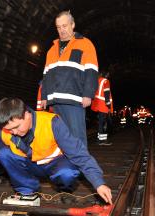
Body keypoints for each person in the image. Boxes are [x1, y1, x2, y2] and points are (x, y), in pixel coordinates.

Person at [0, 98, 113, 204]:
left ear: (28, 115)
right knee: (3, 153)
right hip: (31, 166)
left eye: (16, 127)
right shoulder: (6, 133)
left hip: (55, 164)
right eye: (10, 129)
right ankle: (27, 192)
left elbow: (79, 154)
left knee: (68, 173)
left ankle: (65, 189)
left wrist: (98, 183)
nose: (14, 132)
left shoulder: (51, 123)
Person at [40, 10, 99, 147]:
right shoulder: (51, 50)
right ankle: (68, 168)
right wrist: (44, 97)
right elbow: (46, 75)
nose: (62, 30)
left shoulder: (85, 44)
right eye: (58, 27)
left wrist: (88, 94)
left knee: (77, 139)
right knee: (61, 139)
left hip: (74, 100)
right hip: (55, 102)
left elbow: (91, 71)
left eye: (65, 26)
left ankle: (82, 168)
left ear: (72, 25)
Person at [91, 72, 113, 145]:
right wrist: (108, 105)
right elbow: (106, 93)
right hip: (103, 105)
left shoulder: (97, 80)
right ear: (106, 74)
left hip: (97, 104)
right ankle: (102, 141)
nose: (108, 76)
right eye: (108, 74)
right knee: (103, 123)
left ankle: (99, 140)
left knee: (100, 123)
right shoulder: (106, 81)